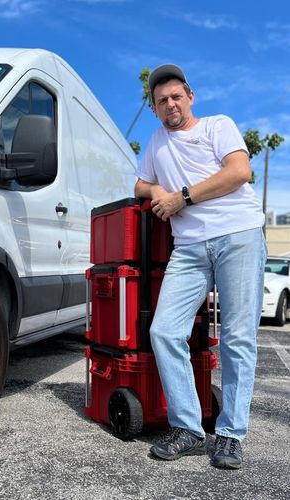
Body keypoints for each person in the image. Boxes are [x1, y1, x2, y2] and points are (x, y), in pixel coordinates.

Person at [135, 64, 266, 469]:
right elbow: (138, 185)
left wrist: (181, 198)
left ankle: (229, 435)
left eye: (176, 96)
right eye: (161, 101)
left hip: (237, 235)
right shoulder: (156, 140)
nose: (170, 104)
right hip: (189, 247)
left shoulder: (216, 126)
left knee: (237, 338)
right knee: (164, 330)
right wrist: (155, 188)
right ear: (154, 108)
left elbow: (239, 172)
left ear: (190, 96)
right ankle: (190, 429)